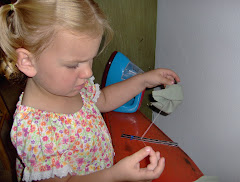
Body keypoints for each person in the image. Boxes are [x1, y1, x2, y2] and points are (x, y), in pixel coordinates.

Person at [0, 0, 180, 182]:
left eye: (90, 59)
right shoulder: (34, 131)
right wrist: (113, 176)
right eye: (74, 64)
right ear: (28, 62)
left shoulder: (71, 85)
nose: (88, 72)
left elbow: (104, 99)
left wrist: (143, 80)